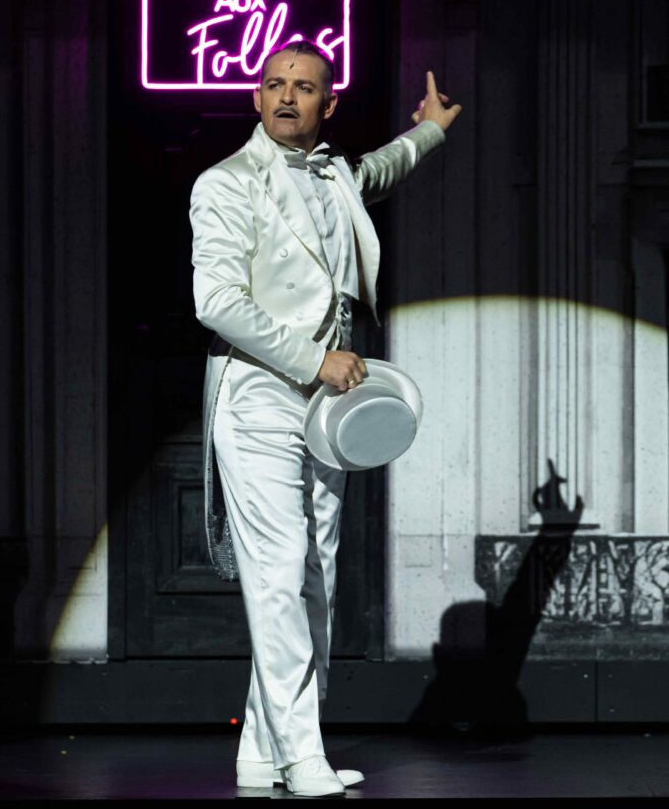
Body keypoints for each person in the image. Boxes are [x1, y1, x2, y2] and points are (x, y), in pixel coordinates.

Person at [189, 40, 461, 796]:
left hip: (328, 404)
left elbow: (380, 168)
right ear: (255, 96)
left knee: (315, 577)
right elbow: (215, 303)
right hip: (258, 392)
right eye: (273, 84)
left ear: (326, 103)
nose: (285, 96)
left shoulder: (336, 172)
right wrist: (313, 360)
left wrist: (431, 130)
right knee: (276, 575)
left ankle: (261, 750)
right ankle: (302, 750)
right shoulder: (225, 184)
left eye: (303, 87)